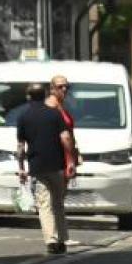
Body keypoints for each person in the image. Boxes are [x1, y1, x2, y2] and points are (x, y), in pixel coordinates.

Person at [16, 82, 76, 254]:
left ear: (28, 97)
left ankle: (51, 240)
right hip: (57, 165)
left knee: (44, 203)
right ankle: (63, 239)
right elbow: (65, 138)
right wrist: (70, 160)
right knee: (58, 202)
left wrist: (21, 168)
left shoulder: (23, 117)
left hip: (37, 166)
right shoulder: (54, 114)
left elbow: (21, 146)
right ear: (44, 96)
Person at [45, 75, 82, 170]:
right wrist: (70, 160)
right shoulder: (50, 107)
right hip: (55, 159)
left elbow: (69, 133)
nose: (64, 89)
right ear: (52, 89)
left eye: (67, 86)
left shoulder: (62, 106)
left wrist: (76, 153)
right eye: (60, 87)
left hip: (65, 158)